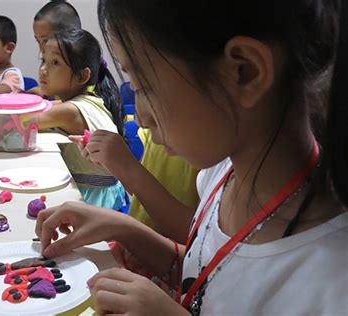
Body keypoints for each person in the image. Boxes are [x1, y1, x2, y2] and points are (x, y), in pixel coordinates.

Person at [36, 0, 348, 315]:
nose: (142, 117)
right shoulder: (223, 174)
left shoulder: (330, 285)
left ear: (245, 72)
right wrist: (120, 227)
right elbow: (211, 272)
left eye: (144, 87)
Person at [37, 28, 126, 210]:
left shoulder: (70, 110)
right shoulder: (84, 100)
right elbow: (38, 110)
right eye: (43, 60)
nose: (43, 69)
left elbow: (13, 121)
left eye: (55, 62)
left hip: (96, 200)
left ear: (82, 76)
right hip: (100, 192)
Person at [70, 128, 199, 243]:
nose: (140, 120)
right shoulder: (155, 130)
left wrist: (129, 167)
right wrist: (112, 162)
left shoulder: (209, 158)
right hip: (140, 245)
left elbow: (195, 235)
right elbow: (139, 193)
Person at [29, 0, 82, 97]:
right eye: (38, 41)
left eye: (45, 40)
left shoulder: (82, 67)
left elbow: (75, 103)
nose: (42, 48)